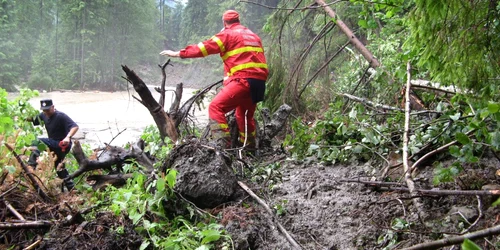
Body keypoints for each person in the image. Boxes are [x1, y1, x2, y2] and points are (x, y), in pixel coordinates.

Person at [160, 10, 268, 151]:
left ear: (224, 22)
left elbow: (204, 48)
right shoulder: (253, 36)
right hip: (259, 83)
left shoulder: (227, 34)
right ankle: (250, 148)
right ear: (238, 21)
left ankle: (223, 145)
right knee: (244, 115)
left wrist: (179, 53)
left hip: (243, 80)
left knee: (215, 107)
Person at [27, 99, 79, 191]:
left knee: (37, 141)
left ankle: (31, 166)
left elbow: (75, 126)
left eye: (48, 110)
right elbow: (32, 119)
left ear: (53, 107)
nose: (46, 112)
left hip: (62, 144)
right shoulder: (43, 115)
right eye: (44, 110)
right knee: (59, 167)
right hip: (53, 144)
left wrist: (68, 137)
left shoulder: (61, 116)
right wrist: (22, 116)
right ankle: (72, 189)